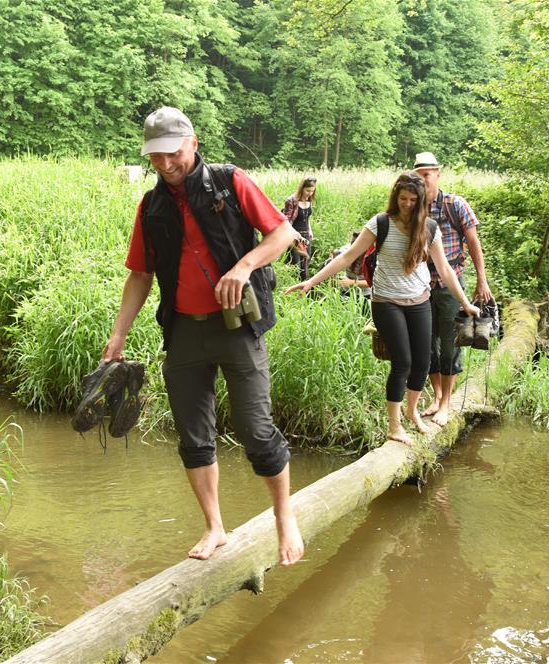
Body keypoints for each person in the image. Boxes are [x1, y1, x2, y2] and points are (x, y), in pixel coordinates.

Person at [102, 106, 304, 566]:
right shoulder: (150, 206)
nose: (165, 164)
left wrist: (243, 266)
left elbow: (282, 233)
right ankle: (215, 527)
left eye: (172, 153)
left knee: (256, 432)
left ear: (193, 142)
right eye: (155, 157)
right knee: (194, 438)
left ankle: (284, 515)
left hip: (237, 327)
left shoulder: (230, 181)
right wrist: (118, 336)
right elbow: (139, 275)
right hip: (184, 333)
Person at [285, 172, 479, 444]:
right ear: (395, 197)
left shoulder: (429, 228)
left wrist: (466, 303)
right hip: (387, 302)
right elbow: (349, 256)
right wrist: (310, 282)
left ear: (421, 200)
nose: (407, 204)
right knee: (403, 362)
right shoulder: (381, 224)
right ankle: (394, 425)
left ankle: (412, 412)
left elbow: (445, 270)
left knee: (423, 362)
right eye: (402, 198)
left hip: (419, 300)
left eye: (413, 199)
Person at [413, 152, 493, 426]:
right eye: (418, 176)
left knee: (450, 346)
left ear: (437, 174)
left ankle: (446, 403)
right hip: (421, 286)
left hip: (451, 286)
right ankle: (436, 396)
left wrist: (482, 279)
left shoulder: (455, 205)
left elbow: (473, 243)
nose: (423, 181)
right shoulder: (413, 207)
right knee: (427, 347)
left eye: (427, 175)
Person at [282, 177, 317, 280]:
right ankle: (292, 289)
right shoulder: (291, 201)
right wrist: (293, 236)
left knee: (305, 264)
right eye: (307, 190)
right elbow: (286, 221)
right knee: (295, 265)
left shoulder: (309, 199)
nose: (309, 193)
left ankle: (304, 291)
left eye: (312, 191)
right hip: (294, 237)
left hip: (306, 236)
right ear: (302, 188)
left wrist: (310, 230)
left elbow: (307, 217)